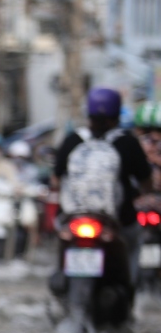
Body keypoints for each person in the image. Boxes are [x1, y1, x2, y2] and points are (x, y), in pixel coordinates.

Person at [55, 88, 151, 284]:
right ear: (117, 114)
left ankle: (60, 278)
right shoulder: (127, 142)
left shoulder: (73, 139)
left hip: (73, 217)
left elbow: (56, 180)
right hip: (118, 220)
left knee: (61, 243)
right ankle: (129, 292)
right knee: (132, 245)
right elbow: (145, 181)